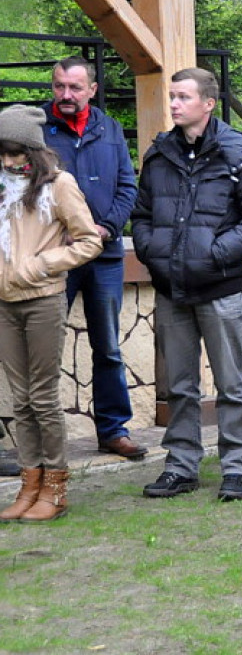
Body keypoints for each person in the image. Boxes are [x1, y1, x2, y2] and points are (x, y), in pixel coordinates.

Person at [133, 68, 242, 503]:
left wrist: (214, 254)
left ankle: (236, 469)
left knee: (231, 385)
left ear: (208, 103)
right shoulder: (159, 153)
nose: (173, 104)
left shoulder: (238, 150)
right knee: (179, 387)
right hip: (171, 288)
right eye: (171, 97)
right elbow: (140, 215)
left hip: (220, 289)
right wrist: (152, 250)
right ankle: (180, 467)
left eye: (182, 97)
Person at [0, 105, 102, 522]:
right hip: (5, 302)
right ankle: (29, 485)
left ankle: (56, 487)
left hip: (42, 297)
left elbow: (88, 241)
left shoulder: (59, 185)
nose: (7, 161)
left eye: (13, 152)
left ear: (32, 149)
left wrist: (39, 265)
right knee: (20, 401)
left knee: (42, 398)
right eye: (1, 153)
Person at [42, 56, 146, 460]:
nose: (65, 96)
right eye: (59, 87)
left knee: (108, 348)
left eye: (73, 88)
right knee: (45, 349)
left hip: (104, 256)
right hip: (54, 256)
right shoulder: (38, 128)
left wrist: (103, 229)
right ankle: (44, 442)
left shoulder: (110, 128)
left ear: (91, 90)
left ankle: (113, 430)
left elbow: (127, 185)